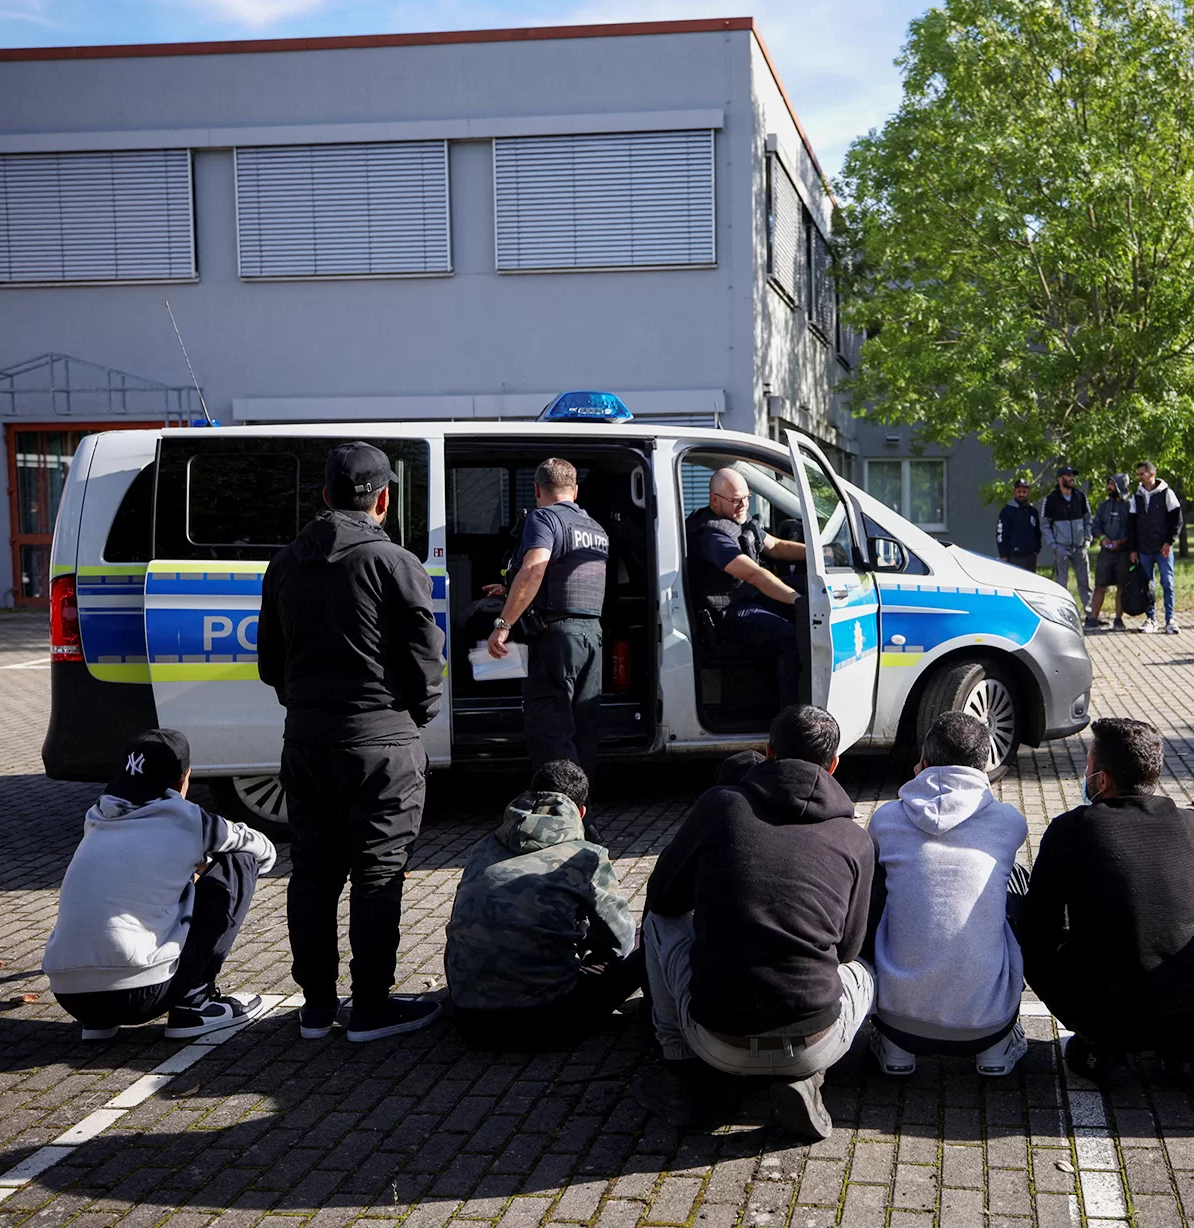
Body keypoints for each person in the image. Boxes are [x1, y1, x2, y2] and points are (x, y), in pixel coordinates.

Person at [258, 441, 446, 1043]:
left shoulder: (285, 563)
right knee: (378, 872)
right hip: (382, 743)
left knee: (312, 871)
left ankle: (315, 1008)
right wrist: (419, 712)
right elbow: (424, 655)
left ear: (324, 496)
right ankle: (370, 1007)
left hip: (308, 741)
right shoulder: (394, 562)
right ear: (383, 499)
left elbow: (269, 664)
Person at [633, 705, 875, 1140]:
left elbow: (663, 897)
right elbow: (849, 950)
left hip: (713, 1039)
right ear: (834, 764)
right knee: (866, 972)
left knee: (657, 921)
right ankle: (806, 1076)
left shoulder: (719, 806)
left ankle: (680, 1073)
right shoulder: (856, 839)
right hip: (815, 1039)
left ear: (768, 753)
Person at [1017, 718, 1194, 1084]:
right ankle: (1179, 1052)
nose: (1085, 774)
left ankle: (1100, 1049)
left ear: (1102, 779)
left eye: (1087, 765)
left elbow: (1039, 923)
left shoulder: (1073, 828)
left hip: (1109, 1015)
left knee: (1029, 937)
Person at [43, 730, 276, 1042]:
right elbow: (262, 849)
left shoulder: (96, 817)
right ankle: (196, 1003)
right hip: (142, 995)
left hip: (70, 998)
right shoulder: (190, 819)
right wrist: (199, 867)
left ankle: (99, 1022)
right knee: (240, 860)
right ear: (184, 779)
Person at [866, 712, 1030, 1078]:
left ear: (922, 762)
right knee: (1014, 879)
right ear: (983, 766)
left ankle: (894, 1050)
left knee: (880, 882)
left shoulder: (885, 820)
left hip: (897, 1020)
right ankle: (997, 1051)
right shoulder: (1010, 822)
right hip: (988, 1023)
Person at [444, 760, 643, 1049]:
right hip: (548, 1022)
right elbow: (619, 943)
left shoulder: (483, 847)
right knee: (645, 939)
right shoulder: (586, 856)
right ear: (582, 812)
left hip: (469, 1021)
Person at [486, 459, 611, 778]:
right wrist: (510, 590)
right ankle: (584, 815)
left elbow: (535, 569)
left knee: (551, 732)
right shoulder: (594, 527)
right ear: (575, 490)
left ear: (537, 489)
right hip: (591, 636)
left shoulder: (543, 517)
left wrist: (503, 625)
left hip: (556, 638)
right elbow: (567, 577)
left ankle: (559, 818)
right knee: (583, 732)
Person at [684, 466, 809, 705]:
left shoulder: (739, 519)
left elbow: (775, 546)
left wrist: (818, 554)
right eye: (736, 500)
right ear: (714, 500)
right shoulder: (713, 536)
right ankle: (791, 716)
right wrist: (796, 600)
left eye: (746, 498)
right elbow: (754, 575)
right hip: (726, 614)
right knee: (790, 638)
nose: (743, 505)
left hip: (747, 597)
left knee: (811, 588)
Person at [1128, 462, 1183, 635]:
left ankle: (1170, 620)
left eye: (1142, 474)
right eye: (1138, 474)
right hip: (1144, 549)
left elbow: (1177, 520)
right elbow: (1132, 524)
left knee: (1167, 582)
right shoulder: (1136, 496)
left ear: (1152, 474)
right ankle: (1151, 619)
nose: (1139, 477)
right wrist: (1133, 549)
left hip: (1163, 549)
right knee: (1146, 585)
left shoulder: (1167, 493)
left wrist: (1169, 541)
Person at [1085, 474, 1133, 630]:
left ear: (1121, 486)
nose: (1108, 487)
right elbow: (1095, 526)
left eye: (1112, 484)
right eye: (1109, 484)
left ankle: (1118, 619)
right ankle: (1093, 619)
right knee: (1100, 585)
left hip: (1123, 553)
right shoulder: (1104, 506)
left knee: (1121, 586)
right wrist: (1103, 537)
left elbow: (1135, 530)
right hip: (1106, 553)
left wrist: (1122, 542)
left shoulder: (1131, 506)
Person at [1041, 466, 1093, 610]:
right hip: (1061, 548)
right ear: (1059, 479)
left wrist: (1087, 541)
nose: (1072, 478)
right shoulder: (1051, 499)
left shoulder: (1080, 496)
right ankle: (1062, 613)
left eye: (1073, 475)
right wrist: (1054, 546)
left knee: (1085, 582)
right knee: (1061, 584)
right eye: (1068, 475)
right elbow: (1045, 525)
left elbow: (1088, 519)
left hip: (1080, 547)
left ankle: (1090, 615)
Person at [995, 477, 1041, 572]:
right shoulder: (1007, 511)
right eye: (1019, 491)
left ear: (1028, 493)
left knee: (1030, 584)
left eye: (1024, 492)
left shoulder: (1033, 511)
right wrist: (1003, 554)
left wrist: (1037, 548)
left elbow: (1037, 532)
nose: (1021, 494)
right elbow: (1001, 534)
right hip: (1013, 557)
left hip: (1031, 556)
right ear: (1014, 492)